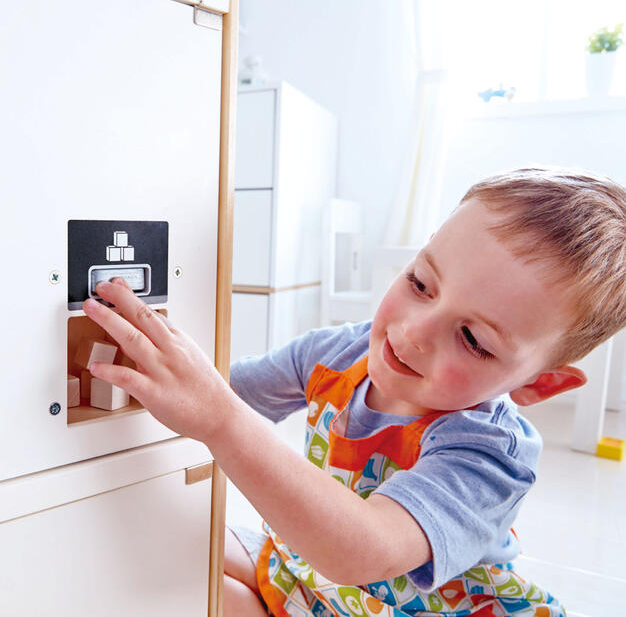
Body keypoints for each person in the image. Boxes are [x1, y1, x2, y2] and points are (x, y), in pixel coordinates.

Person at [83, 167, 626, 617]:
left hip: (409, 603)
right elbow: (221, 392)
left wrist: (221, 421)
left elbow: (365, 550)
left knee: (189, 587)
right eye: (419, 283)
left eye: (471, 339)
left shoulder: (488, 454)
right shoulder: (339, 354)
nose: (412, 332)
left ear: (538, 383)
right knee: (168, 552)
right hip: (307, 578)